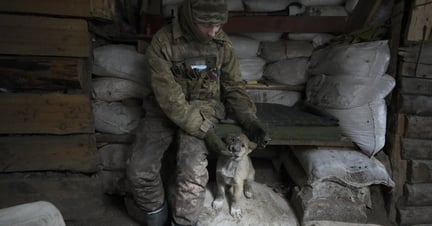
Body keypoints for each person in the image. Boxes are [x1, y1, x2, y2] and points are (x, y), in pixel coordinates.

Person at [125, 0, 270, 225]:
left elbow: (233, 87)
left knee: (192, 174)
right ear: (189, 17)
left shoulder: (222, 43)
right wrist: (204, 131)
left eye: (219, 25)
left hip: (204, 109)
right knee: (140, 171)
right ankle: (156, 216)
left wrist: (250, 119)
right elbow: (170, 99)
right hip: (163, 111)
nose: (213, 32)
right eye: (206, 25)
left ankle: (183, 222)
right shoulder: (163, 43)